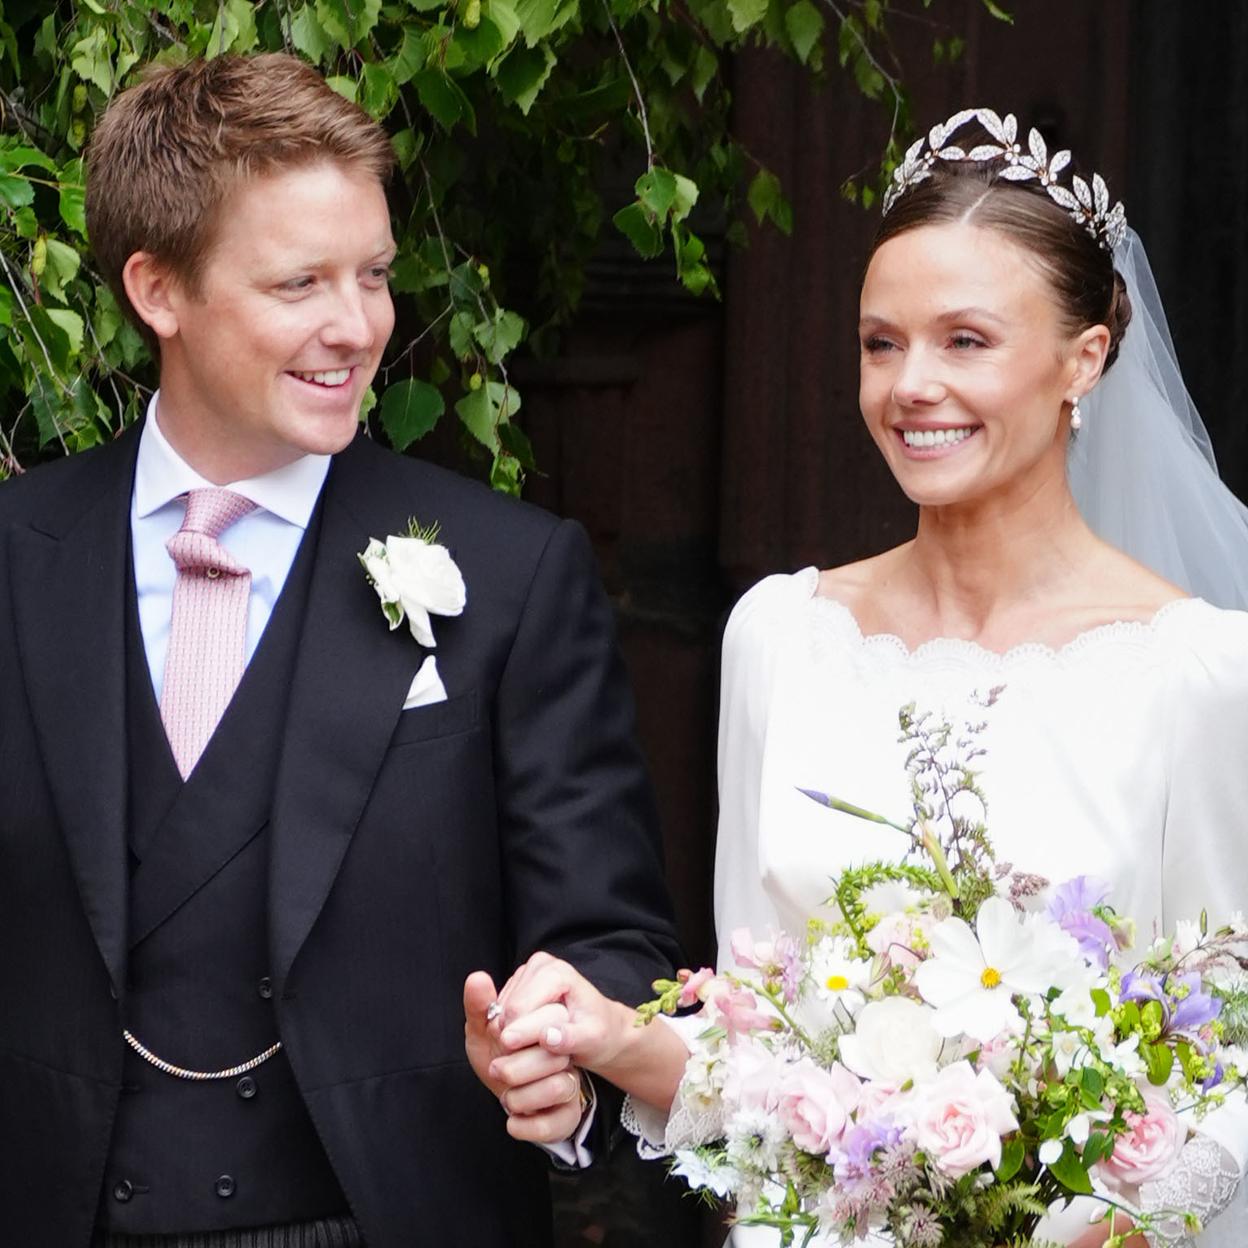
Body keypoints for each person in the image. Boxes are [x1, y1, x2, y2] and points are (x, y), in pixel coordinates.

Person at [477, 109, 1248, 1247]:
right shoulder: (782, 637)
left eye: (966, 341)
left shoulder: (1198, 669)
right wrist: (608, 1036)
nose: (909, 386)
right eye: (880, 343)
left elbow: (1229, 1071)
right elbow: (754, 1045)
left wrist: (1076, 1231)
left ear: (1085, 357)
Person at [0, 53, 680, 1248]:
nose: (357, 326)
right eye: (298, 283)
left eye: (372, 275)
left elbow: (608, 932)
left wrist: (565, 1048)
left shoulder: (512, 574)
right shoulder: (14, 555)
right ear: (159, 289)